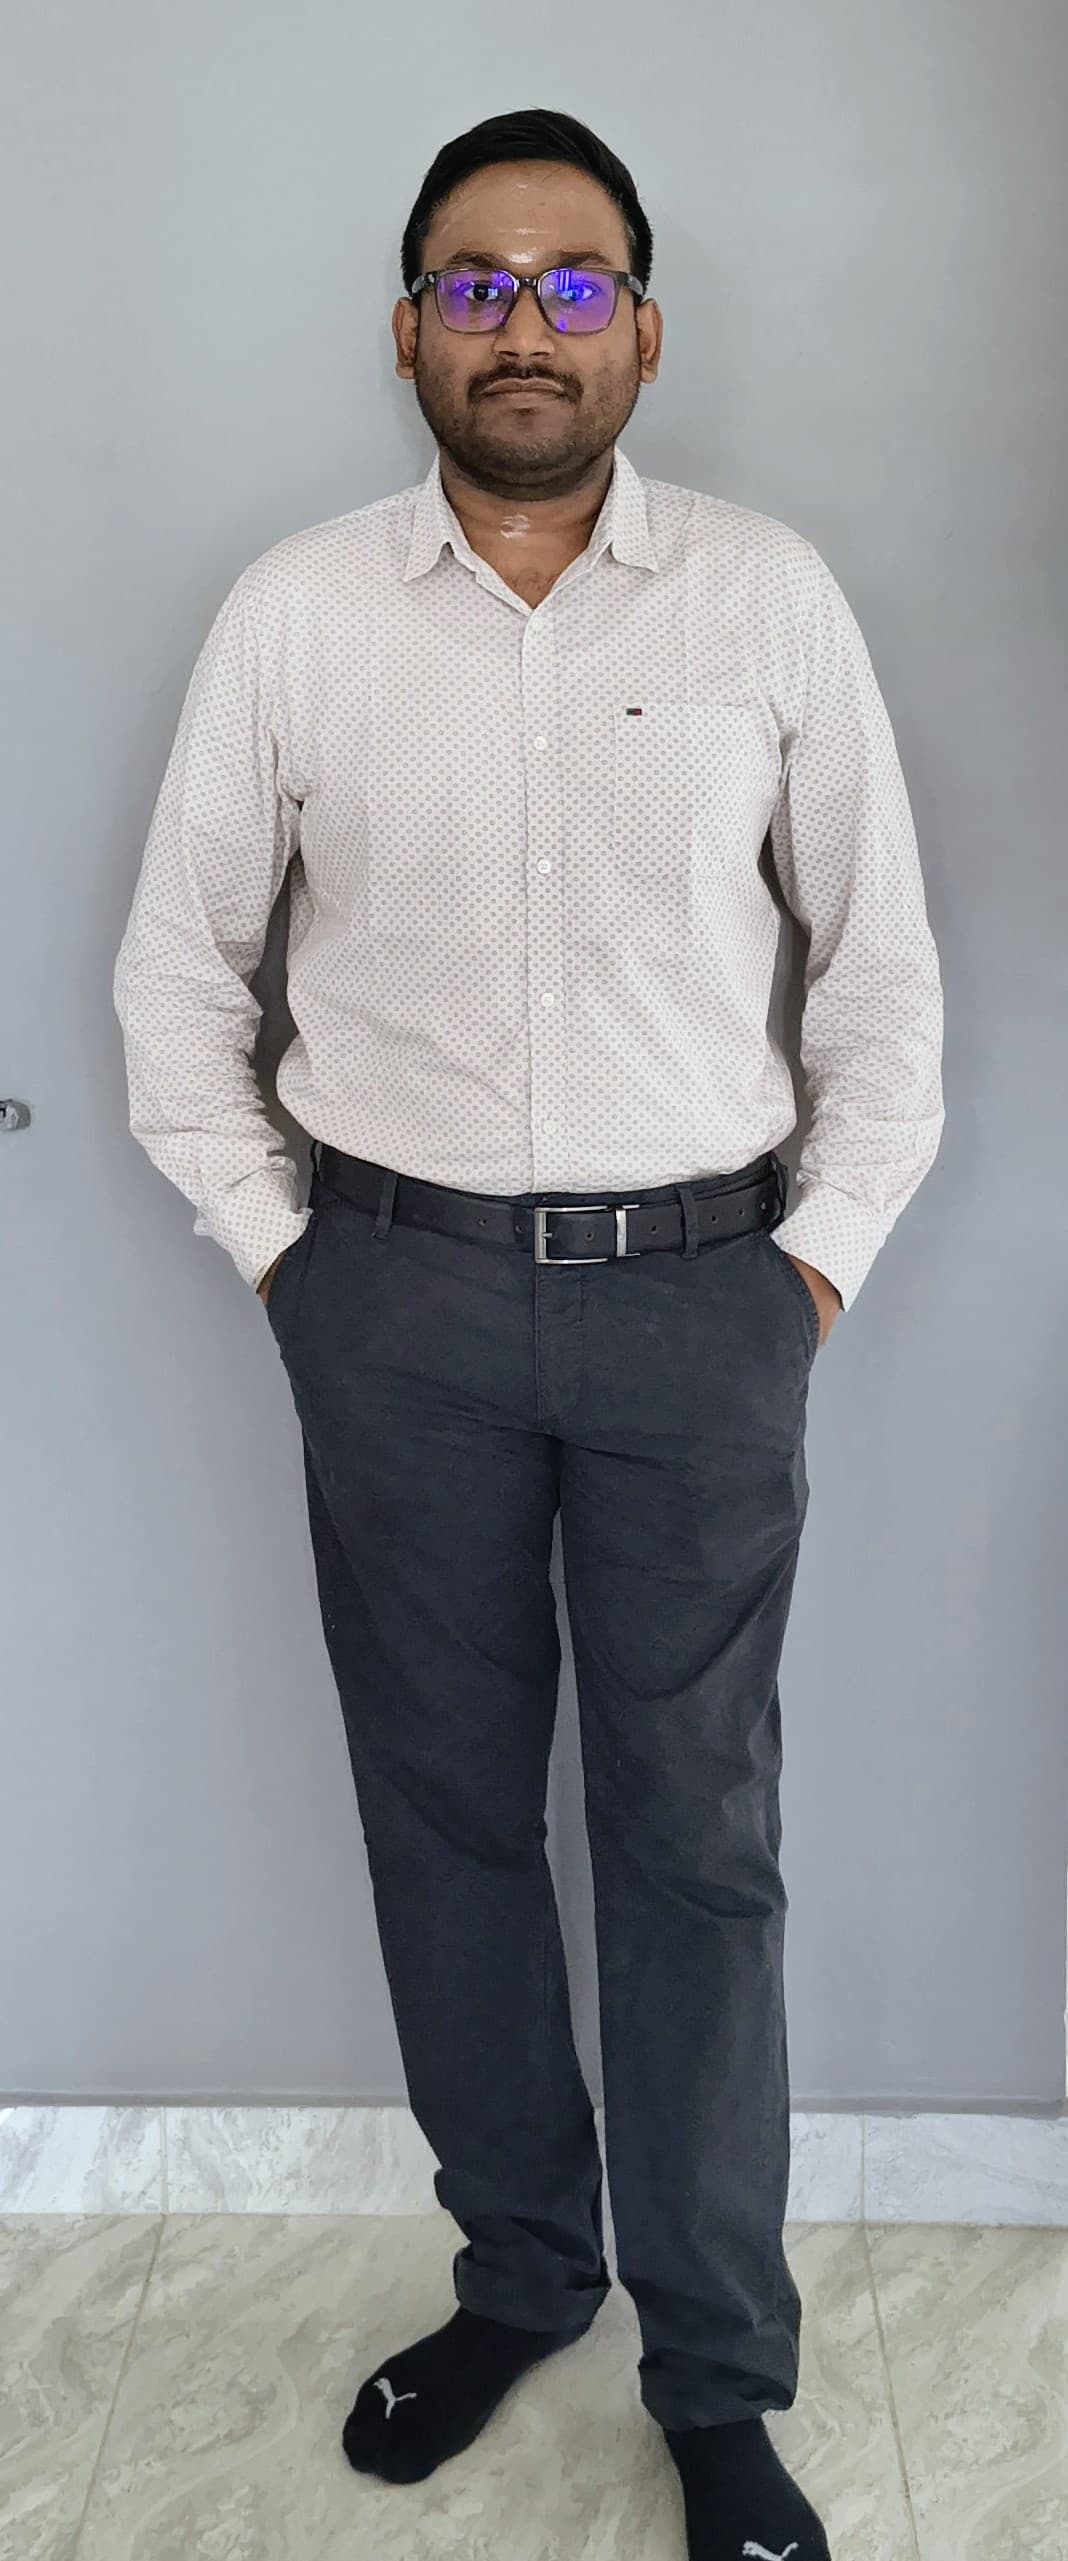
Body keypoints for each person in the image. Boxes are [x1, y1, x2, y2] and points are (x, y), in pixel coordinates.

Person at [113, 104, 944, 2561]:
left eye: (574, 285)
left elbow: (881, 974)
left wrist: (812, 1268)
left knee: (696, 1846)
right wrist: (292, 1263)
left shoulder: (768, 602)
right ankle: (518, 2276)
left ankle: (718, 2376)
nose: (523, 327)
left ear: (645, 335)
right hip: (400, 1308)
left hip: (705, 1308)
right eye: (476, 283)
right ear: (406, 329)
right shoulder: (295, 616)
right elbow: (177, 978)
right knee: (452, 1818)